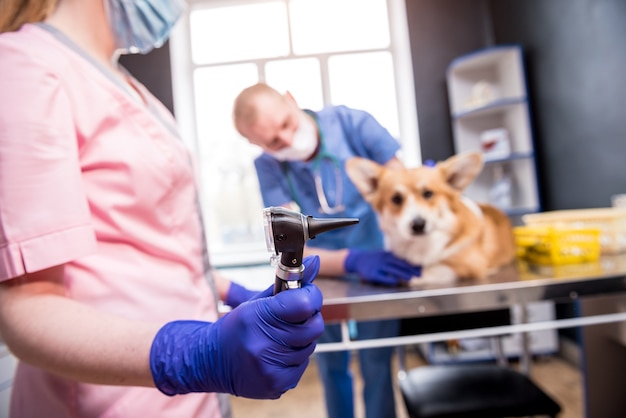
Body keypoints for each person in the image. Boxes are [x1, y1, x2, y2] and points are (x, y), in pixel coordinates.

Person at [0, 1, 324, 417]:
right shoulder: (25, 68)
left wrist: (225, 293)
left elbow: (145, 248)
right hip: (113, 402)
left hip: (192, 399)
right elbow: (26, 311)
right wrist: (192, 355)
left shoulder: (123, 85)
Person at [233, 83, 422, 418]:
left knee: (377, 360)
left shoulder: (354, 124)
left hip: (382, 262)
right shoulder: (269, 167)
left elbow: (404, 195)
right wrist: (350, 260)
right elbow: (288, 248)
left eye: (287, 124)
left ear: (291, 100)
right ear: (255, 144)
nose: (288, 140)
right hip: (321, 273)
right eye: (274, 141)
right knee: (330, 360)